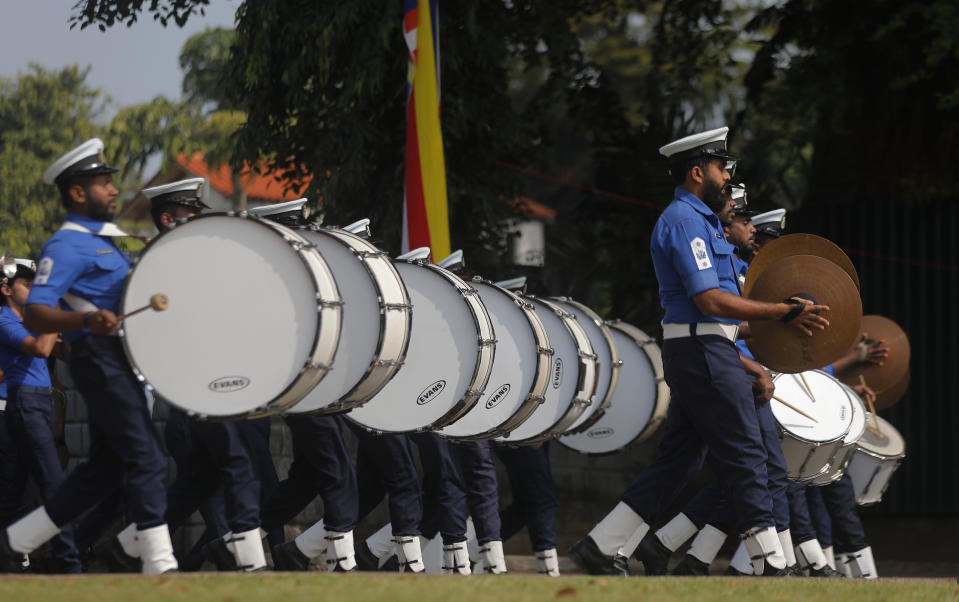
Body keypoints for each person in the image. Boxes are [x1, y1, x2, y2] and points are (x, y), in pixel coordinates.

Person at [569, 127, 829, 577]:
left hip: (703, 348)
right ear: (696, 172)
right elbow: (710, 302)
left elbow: (718, 312)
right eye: (719, 168)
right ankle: (769, 562)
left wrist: (778, 318)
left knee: (680, 461)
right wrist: (779, 312)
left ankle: (601, 543)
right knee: (746, 452)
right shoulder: (686, 220)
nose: (726, 177)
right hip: (704, 350)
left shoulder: (699, 220)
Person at [0, 138, 177, 574]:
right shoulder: (65, 246)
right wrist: (86, 321)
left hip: (117, 356)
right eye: (103, 183)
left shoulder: (106, 242)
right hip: (98, 359)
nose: (113, 190)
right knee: (146, 456)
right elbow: (39, 314)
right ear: (77, 193)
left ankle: (16, 540)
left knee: (105, 469)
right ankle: (160, 565)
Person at [0, 259, 82, 573]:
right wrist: (51, 315)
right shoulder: (5, 319)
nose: (36, 290)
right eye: (27, 284)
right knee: (53, 482)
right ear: (7, 290)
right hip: (26, 403)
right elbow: (41, 350)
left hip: (39, 403)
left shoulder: (33, 320)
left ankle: (8, 556)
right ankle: (68, 561)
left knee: (21, 492)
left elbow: (62, 352)